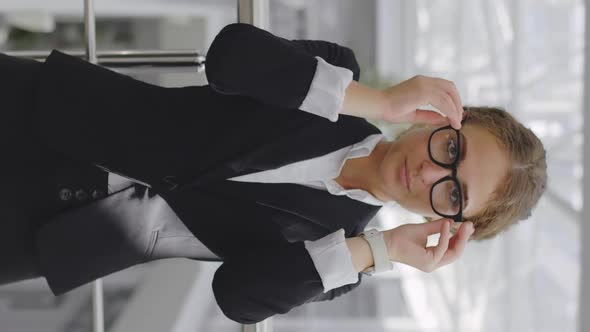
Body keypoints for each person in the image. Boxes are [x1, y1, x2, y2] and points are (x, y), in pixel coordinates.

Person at [0, 23, 546, 324]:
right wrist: (373, 100)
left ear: (445, 222)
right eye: (451, 147)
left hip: (47, 236)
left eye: (451, 192)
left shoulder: (337, 258)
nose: (429, 169)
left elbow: (237, 294)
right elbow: (229, 58)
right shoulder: (340, 81)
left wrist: (383, 252)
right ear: (443, 118)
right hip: (40, 110)